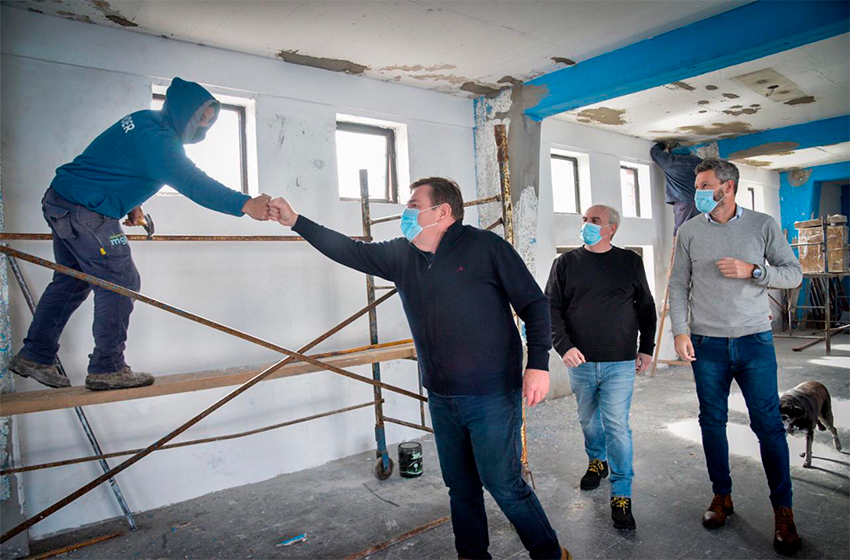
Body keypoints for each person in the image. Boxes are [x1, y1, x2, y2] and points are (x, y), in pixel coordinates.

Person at [268, 178, 569, 560]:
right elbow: (348, 250)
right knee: (459, 487)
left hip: (491, 395)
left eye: (413, 205)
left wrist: (538, 364)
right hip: (441, 396)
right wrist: (296, 220)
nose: (405, 213)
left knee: (504, 484)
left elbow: (533, 304)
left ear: (442, 212)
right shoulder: (402, 255)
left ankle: (550, 554)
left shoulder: (486, 247)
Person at [10, 77, 271, 392]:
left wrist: (133, 204)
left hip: (62, 202)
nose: (206, 124)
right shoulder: (162, 144)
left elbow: (119, 163)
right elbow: (195, 184)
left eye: (211, 120)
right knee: (121, 281)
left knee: (72, 279)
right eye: (202, 116)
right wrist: (245, 204)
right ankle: (108, 368)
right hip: (88, 213)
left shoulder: (144, 120)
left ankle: (35, 355)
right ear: (184, 112)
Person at [668, 158, 803, 555]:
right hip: (707, 344)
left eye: (705, 185)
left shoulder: (762, 225)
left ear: (727, 187)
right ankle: (722, 497)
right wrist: (680, 330)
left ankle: (783, 510)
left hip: (754, 342)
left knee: (768, 426)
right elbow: (678, 285)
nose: (698, 193)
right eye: (697, 186)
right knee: (712, 422)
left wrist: (755, 271)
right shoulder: (690, 229)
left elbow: (793, 273)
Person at [545, 204, 656, 530]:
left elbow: (646, 308)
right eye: (584, 220)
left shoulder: (629, 262)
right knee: (589, 420)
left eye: (594, 220)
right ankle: (597, 461)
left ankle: (621, 492)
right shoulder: (565, 263)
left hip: (620, 362)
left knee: (617, 426)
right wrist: (564, 346)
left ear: (611, 229)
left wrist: (646, 349)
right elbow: (550, 308)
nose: (587, 225)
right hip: (580, 362)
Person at [650, 141, 702, 236]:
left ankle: (677, 250)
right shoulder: (698, 161)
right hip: (701, 201)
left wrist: (662, 144)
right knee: (700, 227)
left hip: (683, 201)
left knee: (681, 230)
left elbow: (654, 152)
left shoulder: (670, 162)